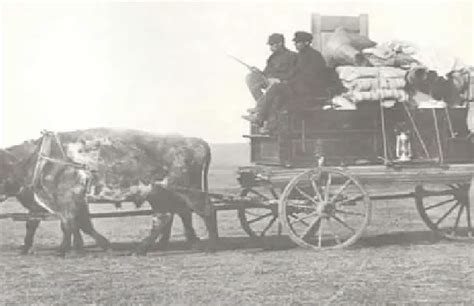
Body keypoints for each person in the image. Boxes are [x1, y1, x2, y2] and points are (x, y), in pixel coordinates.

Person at [242, 33, 297, 129]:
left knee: (274, 85)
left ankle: (260, 111)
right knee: (250, 77)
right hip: (269, 82)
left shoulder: (292, 56)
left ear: (279, 43)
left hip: (283, 85)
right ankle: (261, 106)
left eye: (272, 45)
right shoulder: (272, 58)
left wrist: (279, 79)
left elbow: (294, 74)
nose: (270, 47)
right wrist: (258, 72)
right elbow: (266, 73)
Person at [287, 31, 330, 108]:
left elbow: (312, 75)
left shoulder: (315, 56)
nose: (295, 44)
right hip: (300, 86)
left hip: (311, 88)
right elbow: (292, 72)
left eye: (298, 42)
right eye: (295, 42)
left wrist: (290, 81)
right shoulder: (298, 56)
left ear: (306, 43)